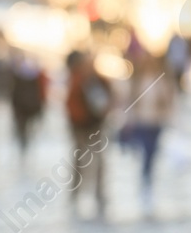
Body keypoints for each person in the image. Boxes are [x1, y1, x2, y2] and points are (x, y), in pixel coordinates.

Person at [121, 51, 175, 211]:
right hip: (141, 122)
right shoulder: (137, 82)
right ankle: (145, 182)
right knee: (145, 152)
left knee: (152, 153)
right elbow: (129, 101)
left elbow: (170, 100)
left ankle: (148, 181)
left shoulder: (161, 81)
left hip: (156, 122)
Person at [65, 52, 113, 217]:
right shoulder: (77, 79)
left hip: (94, 125)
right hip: (81, 125)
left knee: (97, 159)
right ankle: (76, 191)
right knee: (80, 159)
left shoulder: (98, 79)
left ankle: (98, 192)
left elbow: (110, 97)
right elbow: (71, 103)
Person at [8, 50, 48, 162]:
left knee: (24, 130)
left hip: (25, 108)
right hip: (27, 108)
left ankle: (25, 146)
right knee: (26, 130)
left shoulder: (19, 75)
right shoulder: (33, 76)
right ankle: (25, 146)